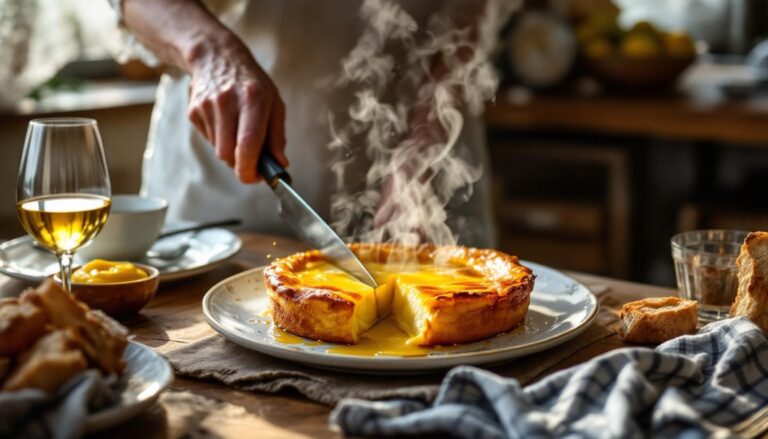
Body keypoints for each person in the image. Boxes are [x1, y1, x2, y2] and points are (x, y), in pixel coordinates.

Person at [113, 0, 498, 247]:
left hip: (429, 175)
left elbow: (471, 13)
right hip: (224, 197)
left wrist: (425, 142)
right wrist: (207, 50)